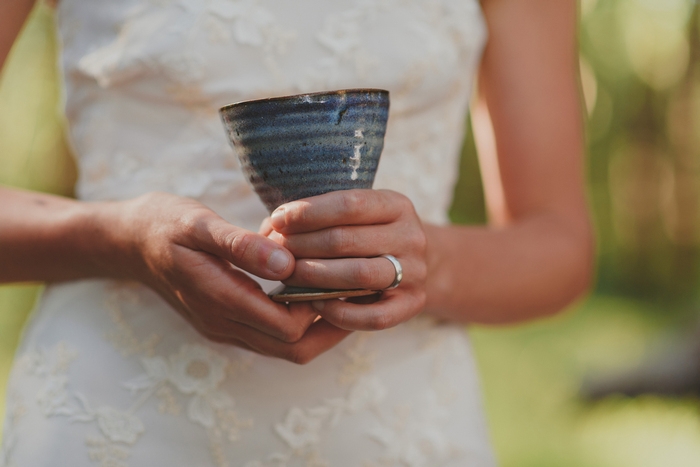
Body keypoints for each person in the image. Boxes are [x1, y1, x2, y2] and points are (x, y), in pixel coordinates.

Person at [0, 0, 592, 465]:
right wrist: (120, 239)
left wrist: (425, 261)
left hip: (400, 430)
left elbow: (559, 246)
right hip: (113, 420)